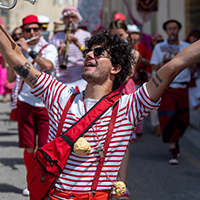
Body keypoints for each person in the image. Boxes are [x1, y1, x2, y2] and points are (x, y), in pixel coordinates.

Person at [1, 20, 200, 199]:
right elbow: (15, 56)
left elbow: (174, 66)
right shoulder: (59, 95)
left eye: (98, 52)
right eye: (88, 51)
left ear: (115, 68)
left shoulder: (129, 107)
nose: (88, 54)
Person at [7, 14, 58, 196]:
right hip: (25, 102)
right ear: (23, 31)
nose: (32, 32)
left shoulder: (49, 47)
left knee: (44, 148)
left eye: (35, 29)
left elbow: (48, 66)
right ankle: (31, 181)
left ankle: (44, 182)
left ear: (41, 30)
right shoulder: (18, 50)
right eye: (28, 30)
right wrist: (12, 57)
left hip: (46, 105)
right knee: (29, 147)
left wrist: (28, 52)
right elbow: (10, 79)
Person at [150, 19, 191, 165]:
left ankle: (175, 141)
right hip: (167, 88)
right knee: (169, 118)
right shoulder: (160, 47)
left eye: (175, 28)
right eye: (169, 29)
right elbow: (153, 66)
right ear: (166, 31)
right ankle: (172, 149)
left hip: (182, 87)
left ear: (178, 30)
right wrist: (163, 63)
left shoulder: (186, 46)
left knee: (184, 120)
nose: (172, 31)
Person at [109, 19, 140, 200]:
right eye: (114, 35)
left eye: (120, 35)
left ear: (127, 34)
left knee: (123, 140)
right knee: (106, 138)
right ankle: (105, 180)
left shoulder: (133, 52)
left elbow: (128, 73)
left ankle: (122, 184)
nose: (118, 38)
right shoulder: (107, 51)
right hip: (108, 93)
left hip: (125, 94)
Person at [49, 6, 91, 92]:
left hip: (81, 79)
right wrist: (58, 52)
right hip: (62, 80)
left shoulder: (86, 35)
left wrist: (78, 44)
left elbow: (90, 54)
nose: (70, 20)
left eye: (73, 17)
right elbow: (50, 61)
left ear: (78, 19)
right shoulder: (55, 37)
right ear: (63, 20)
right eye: (67, 17)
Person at [149, 33, 164, 137]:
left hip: (165, 81)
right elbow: (153, 67)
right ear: (153, 42)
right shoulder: (150, 52)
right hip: (153, 80)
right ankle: (156, 126)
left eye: (161, 41)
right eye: (157, 41)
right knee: (154, 105)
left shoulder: (166, 50)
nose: (159, 43)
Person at [185, 29, 200, 128]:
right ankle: (186, 121)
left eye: (196, 37)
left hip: (198, 79)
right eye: (192, 36)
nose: (194, 39)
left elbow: (194, 66)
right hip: (185, 80)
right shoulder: (184, 47)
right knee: (186, 103)